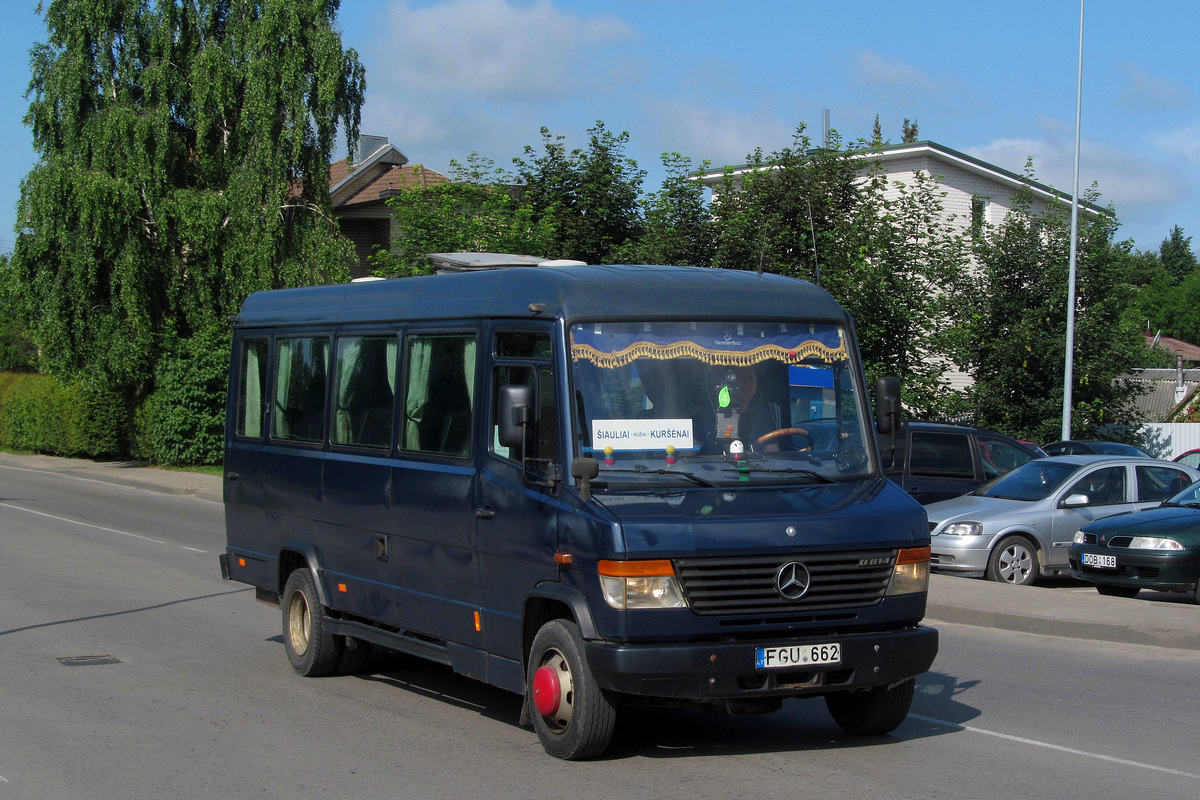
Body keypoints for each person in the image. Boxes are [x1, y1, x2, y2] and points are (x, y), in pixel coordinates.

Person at [697, 364, 782, 452]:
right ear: (728, 382)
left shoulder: (763, 415)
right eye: (741, 378)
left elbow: (773, 453)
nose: (747, 383)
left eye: (751, 378)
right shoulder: (710, 415)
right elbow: (689, 453)